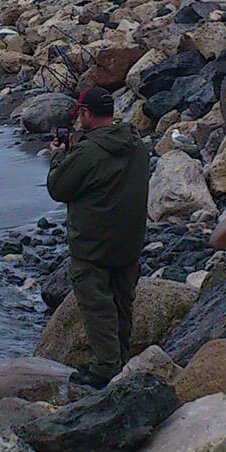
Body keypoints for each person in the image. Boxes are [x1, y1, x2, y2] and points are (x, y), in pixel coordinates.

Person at [45, 86, 150, 388]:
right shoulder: (135, 144)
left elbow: (59, 188)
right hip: (128, 242)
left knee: (98, 306)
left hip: (93, 244)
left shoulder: (88, 151)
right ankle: (120, 359)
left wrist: (59, 158)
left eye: (80, 113)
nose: (78, 118)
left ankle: (105, 369)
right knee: (122, 302)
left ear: (87, 114)